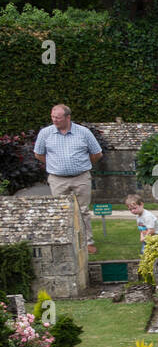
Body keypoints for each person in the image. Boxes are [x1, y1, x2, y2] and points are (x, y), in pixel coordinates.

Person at [33, 104, 102, 255]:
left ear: (68, 117)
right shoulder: (45, 133)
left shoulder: (84, 132)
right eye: (52, 117)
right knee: (60, 211)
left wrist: (83, 165)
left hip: (81, 178)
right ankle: (63, 242)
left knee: (83, 211)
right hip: (57, 180)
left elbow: (97, 153)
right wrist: (55, 166)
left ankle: (87, 242)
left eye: (58, 117)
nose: (54, 120)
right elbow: (38, 154)